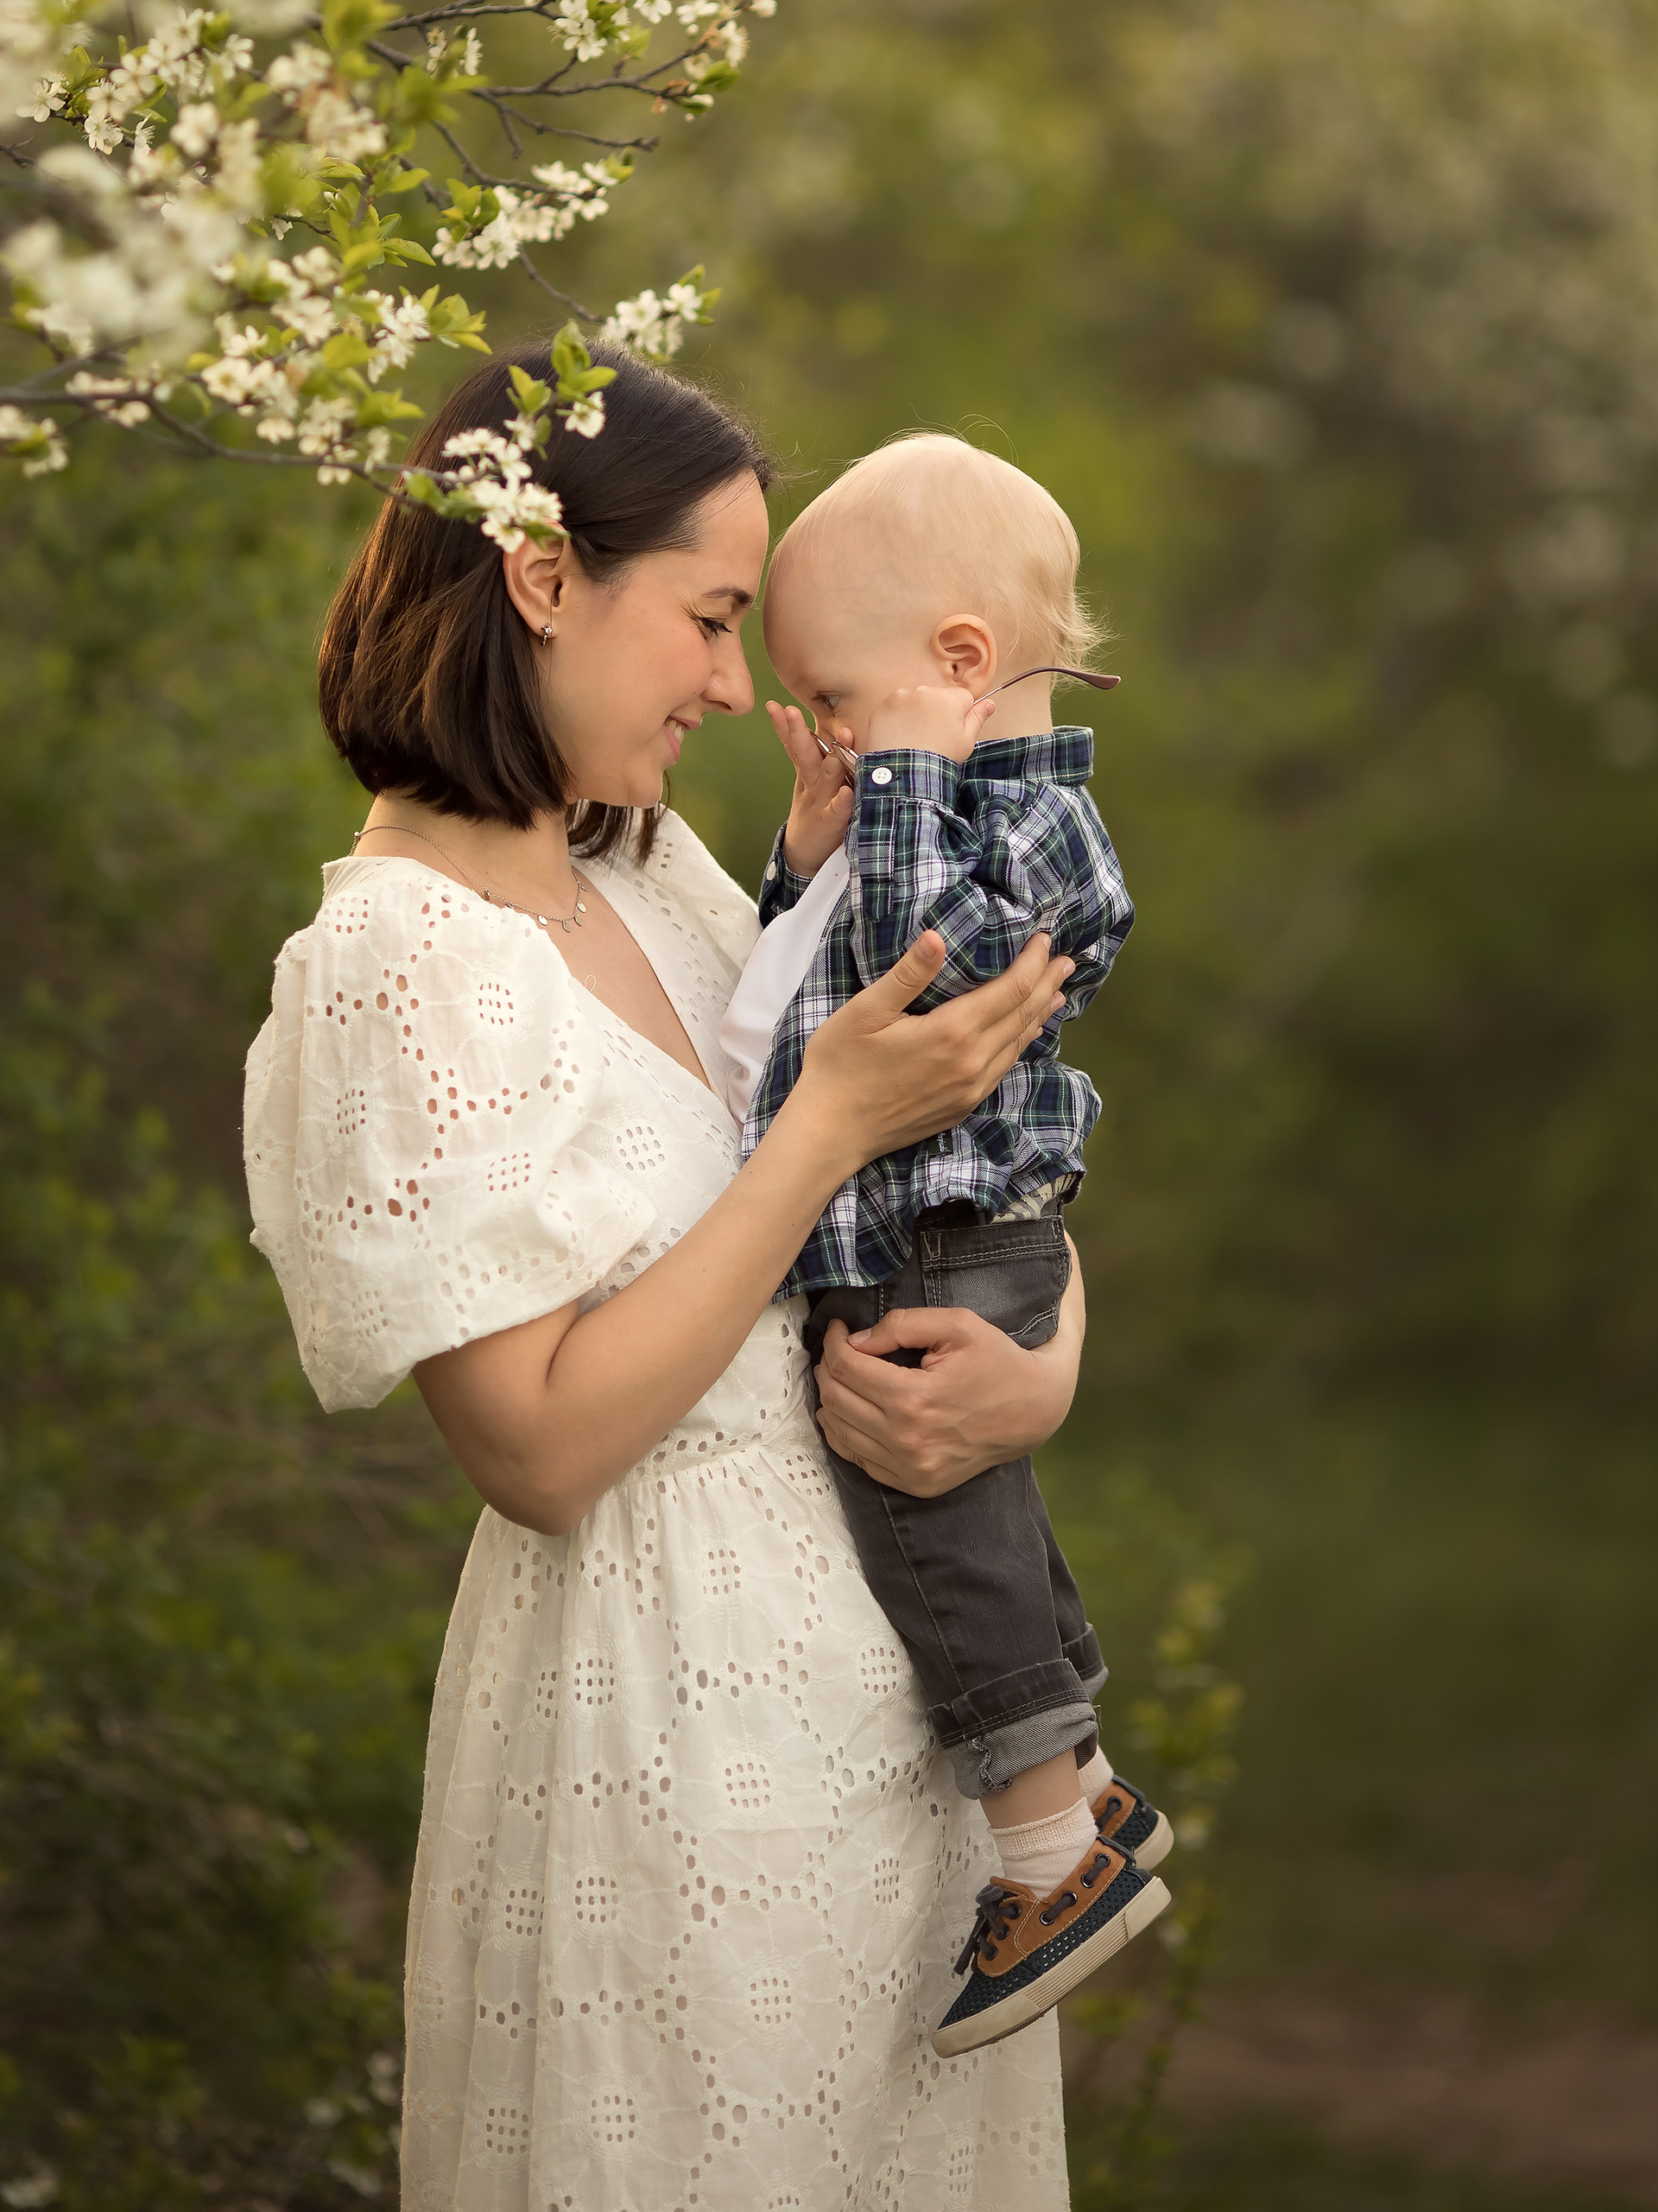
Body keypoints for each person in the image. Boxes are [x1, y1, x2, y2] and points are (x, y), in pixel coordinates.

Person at [243, 344, 1090, 2212]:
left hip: (895, 1714)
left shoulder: (648, 876)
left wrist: (1037, 1376)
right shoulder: (397, 958)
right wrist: (819, 1132)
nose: (733, 684)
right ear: (542, 579)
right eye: (709, 618)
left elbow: (951, 1165)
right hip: (661, 1725)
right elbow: (535, 1451)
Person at [718, 436, 1171, 2057]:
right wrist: (810, 830)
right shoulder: (931, 813)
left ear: (958, 665)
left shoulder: (1047, 836)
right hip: (935, 1237)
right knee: (974, 1514)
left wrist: (900, 780)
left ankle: (1047, 1852)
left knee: (933, 1528)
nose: (830, 727)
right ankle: (1090, 1795)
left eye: (836, 695)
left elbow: (907, 964)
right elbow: (800, 976)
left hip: (944, 1242)